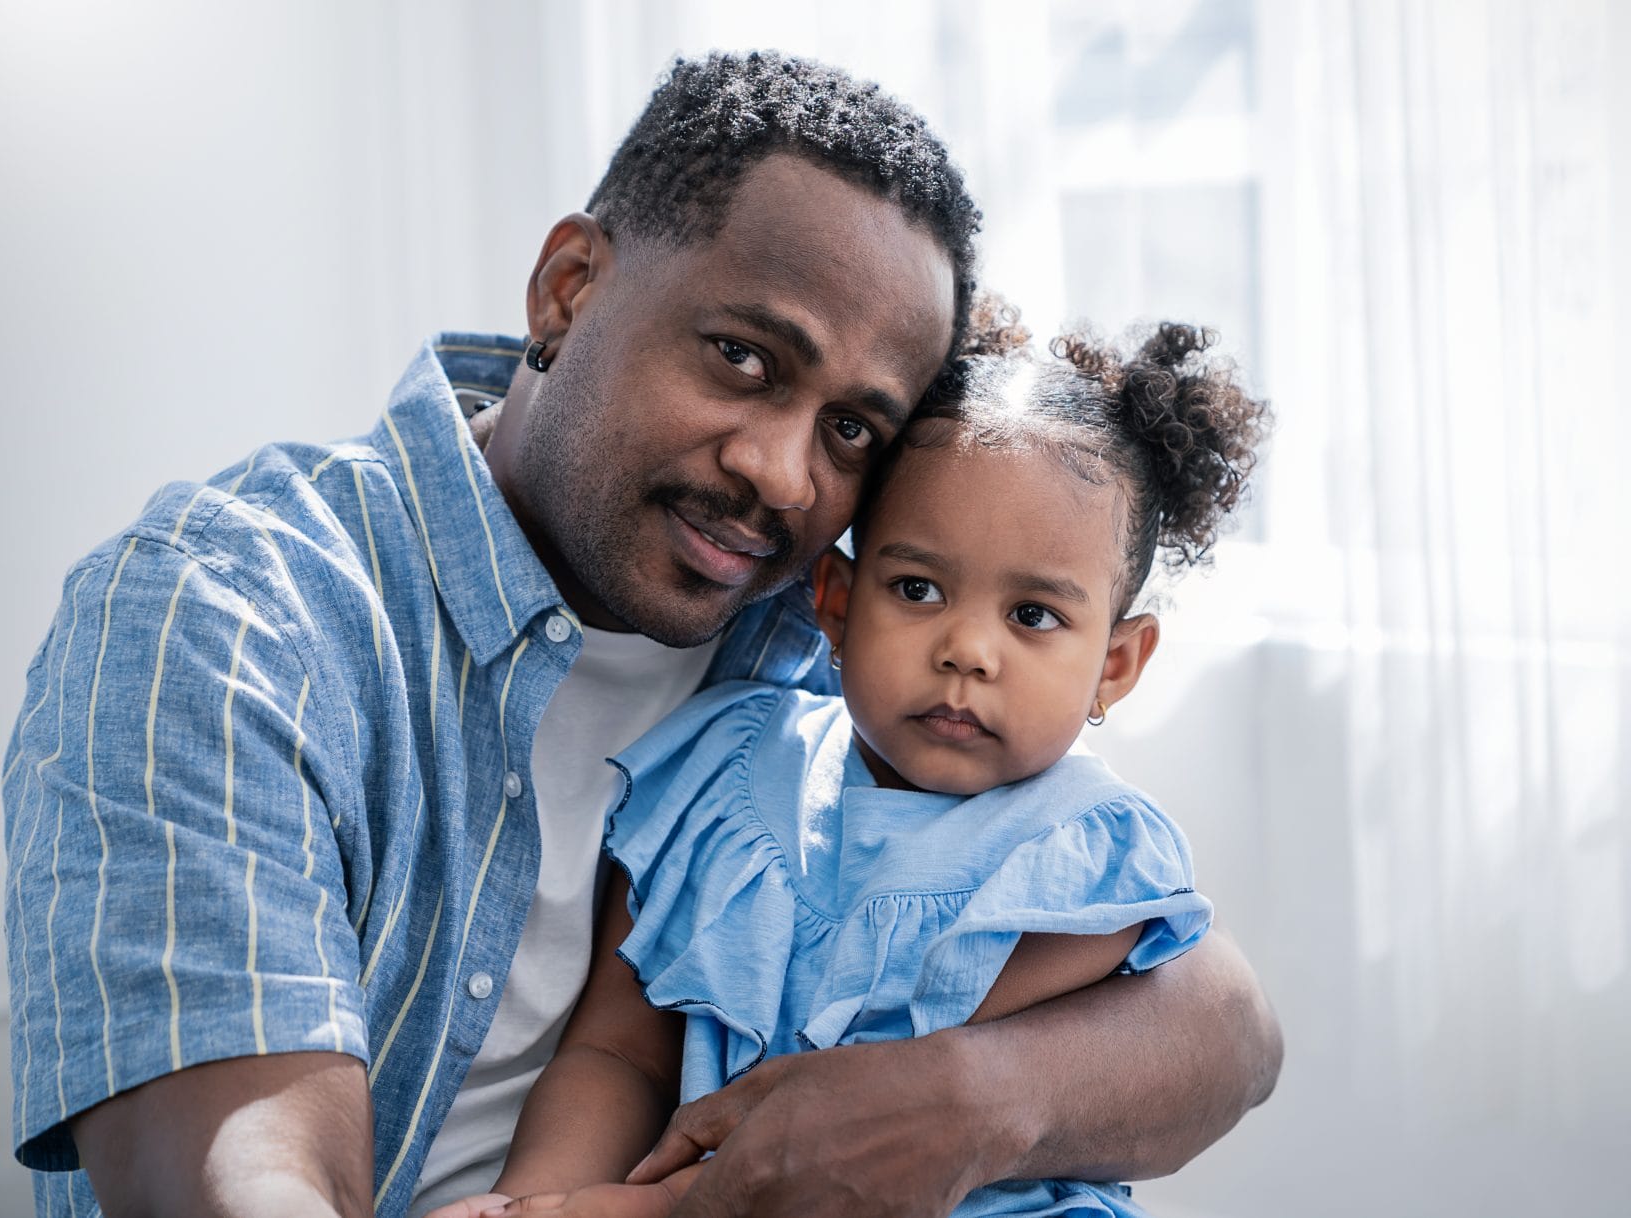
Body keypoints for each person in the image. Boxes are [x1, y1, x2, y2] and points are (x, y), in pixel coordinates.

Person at [3, 51, 1281, 1218]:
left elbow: (1225, 1029)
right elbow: (242, 1182)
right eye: (741, 357)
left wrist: (947, 1104)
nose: (784, 475)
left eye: (851, 431)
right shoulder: (227, 619)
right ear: (569, 289)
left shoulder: (814, 627)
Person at [423, 310, 1268, 1218]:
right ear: (835, 603)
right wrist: (530, 1201)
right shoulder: (722, 773)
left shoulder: (1080, 856)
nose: (968, 650)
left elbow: (840, 1142)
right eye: (916, 589)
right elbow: (618, 1054)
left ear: (1115, 664)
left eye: (1033, 616)